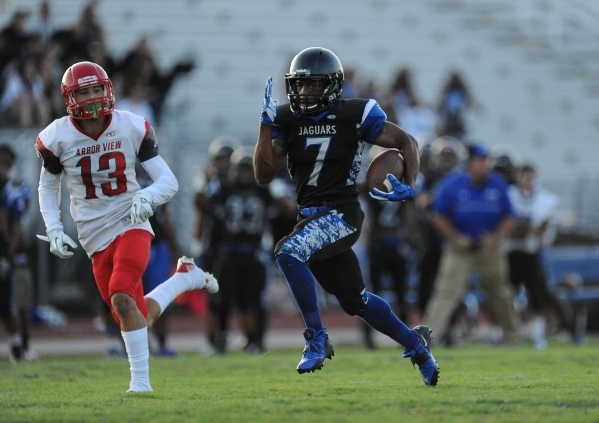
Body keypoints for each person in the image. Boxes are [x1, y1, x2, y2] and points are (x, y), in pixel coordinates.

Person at [253, 47, 439, 386]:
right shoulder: (286, 118)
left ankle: (316, 338)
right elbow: (263, 174)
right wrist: (264, 127)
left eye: (312, 85)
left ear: (332, 86)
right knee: (357, 301)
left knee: (288, 251)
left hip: (341, 213)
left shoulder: (355, 113)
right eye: (300, 85)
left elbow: (405, 140)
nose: (304, 92)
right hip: (309, 218)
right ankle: (418, 346)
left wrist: (410, 185)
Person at [35, 61, 218, 392]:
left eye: (95, 89)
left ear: (106, 90)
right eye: (83, 91)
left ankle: (141, 384)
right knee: (135, 315)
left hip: (130, 222)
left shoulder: (131, 126)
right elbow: (48, 187)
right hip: (93, 234)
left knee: (121, 295)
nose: (91, 97)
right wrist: (53, 228)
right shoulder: (55, 137)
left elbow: (168, 181)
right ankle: (184, 278)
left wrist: (146, 198)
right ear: (69, 97)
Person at [423, 144, 520, 346]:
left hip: (489, 249)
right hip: (460, 249)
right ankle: (427, 339)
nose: (483, 166)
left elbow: (509, 217)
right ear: (469, 163)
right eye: (479, 161)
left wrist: (495, 237)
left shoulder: (497, 184)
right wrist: (456, 237)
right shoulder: (452, 184)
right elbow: (438, 216)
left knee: (501, 292)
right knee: (446, 293)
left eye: (485, 161)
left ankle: (512, 337)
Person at [204, 147, 273, 354]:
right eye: (241, 168)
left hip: (248, 251)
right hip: (232, 251)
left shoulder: (229, 188)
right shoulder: (228, 187)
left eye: (247, 168)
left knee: (250, 300)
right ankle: (222, 340)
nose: (244, 172)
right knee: (223, 299)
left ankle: (253, 340)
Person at [506, 163, 559, 349]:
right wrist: (521, 228)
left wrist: (531, 230)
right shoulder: (509, 195)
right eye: (523, 176)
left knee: (537, 295)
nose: (526, 180)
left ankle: (537, 334)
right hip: (510, 252)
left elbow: (545, 229)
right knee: (506, 294)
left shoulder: (546, 199)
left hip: (531, 252)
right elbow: (507, 224)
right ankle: (507, 332)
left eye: (530, 176)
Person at [0, 145, 36, 361]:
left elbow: (15, 224)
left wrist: (7, 255)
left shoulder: (14, 187)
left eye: (6, 163)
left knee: (14, 304)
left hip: (9, 252)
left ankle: (21, 345)